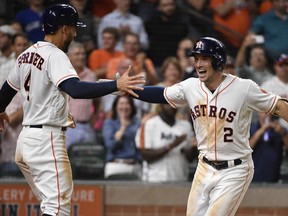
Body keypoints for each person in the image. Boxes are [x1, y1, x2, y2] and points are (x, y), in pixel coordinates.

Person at [0, 4, 144, 216]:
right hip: (46, 140)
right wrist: (116, 85)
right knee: (57, 209)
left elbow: (6, 90)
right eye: (73, 28)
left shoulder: (26, 54)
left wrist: (1, 109)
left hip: (26, 142)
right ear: (64, 28)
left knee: (50, 206)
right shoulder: (55, 55)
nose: (75, 33)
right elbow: (75, 89)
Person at [130, 36, 288, 216]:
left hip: (235, 169)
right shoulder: (191, 86)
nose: (198, 64)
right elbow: (160, 94)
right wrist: (123, 88)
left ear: (218, 61)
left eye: (204, 59)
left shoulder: (244, 88)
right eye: (196, 59)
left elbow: (279, 105)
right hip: (204, 166)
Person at [250, 53, 288, 183]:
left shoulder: (280, 131)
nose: (284, 68)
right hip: (274, 127)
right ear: (275, 67)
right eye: (281, 65)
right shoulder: (269, 85)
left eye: (286, 65)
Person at [135, 103, 195, 182]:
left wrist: (194, 148)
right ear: (161, 105)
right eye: (167, 103)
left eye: (174, 104)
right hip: (155, 179)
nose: (171, 106)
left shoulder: (186, 126)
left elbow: (189, 157)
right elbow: (145, 155)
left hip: (179, 178)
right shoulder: (149, 124)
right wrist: (171, 146)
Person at [65, 42, 97, 150]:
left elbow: (97, 101)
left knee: (87, 162)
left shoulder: (91, 75)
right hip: (67, 127)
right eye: (77, 54)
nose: (81, 57)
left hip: (87, 126)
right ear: (69, 57)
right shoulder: (63, 75)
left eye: (83, 54)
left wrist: (93, 120)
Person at [102, 95, 142, 179]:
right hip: (115, 165)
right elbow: (110, 145)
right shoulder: (109, 124)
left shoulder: (138, 123)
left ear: (131, 107)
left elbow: (141, 145)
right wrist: (123, 128)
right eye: (121, 104)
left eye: (127, 103)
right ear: (116, 107)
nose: (124, 107)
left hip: (135, 166)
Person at [145, 0, 190, 68]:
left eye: (171, 4)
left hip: (176, 64)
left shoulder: (181, 22)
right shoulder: (151, 23)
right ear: (158, 7)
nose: (169, 8)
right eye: (165, 5)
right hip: (156, 64)